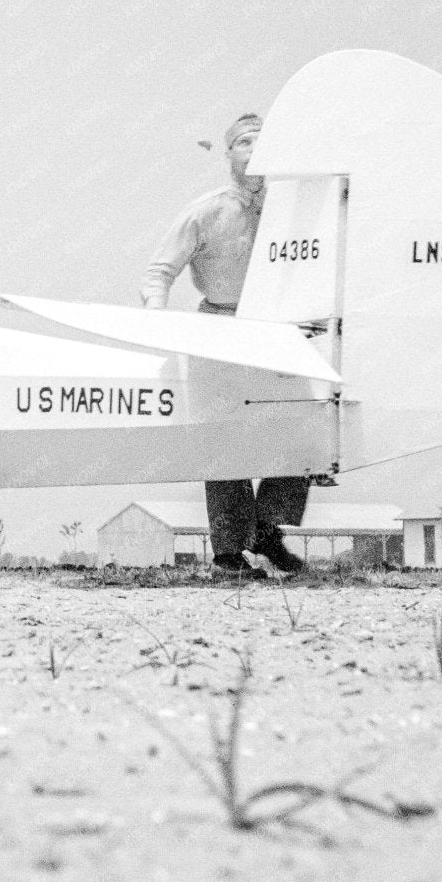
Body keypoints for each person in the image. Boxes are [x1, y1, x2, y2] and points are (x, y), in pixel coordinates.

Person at [140, 114, 309, 576]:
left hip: (276, 333)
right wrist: (156, 321)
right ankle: (230, 554)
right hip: (217, 328)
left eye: (264, 142)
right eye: (244, 143)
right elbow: (159, 272)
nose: (254, 151)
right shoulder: (206, 212)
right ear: (229, 153)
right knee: (223, 439)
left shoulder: (295, 211)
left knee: (297, 430)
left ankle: (270, 534)